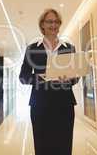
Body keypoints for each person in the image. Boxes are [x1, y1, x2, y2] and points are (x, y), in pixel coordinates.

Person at [19, 8, 79, 155]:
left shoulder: (69, 48)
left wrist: (70, 79)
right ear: (42, 25)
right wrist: (41, 77)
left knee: (64, 146)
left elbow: (76, 77)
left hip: (65, 104)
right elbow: (23, 77)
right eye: (50, 21)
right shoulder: (32, 49)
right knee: (42, 146)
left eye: (57, 22)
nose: (54, 25)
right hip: (40, 105)